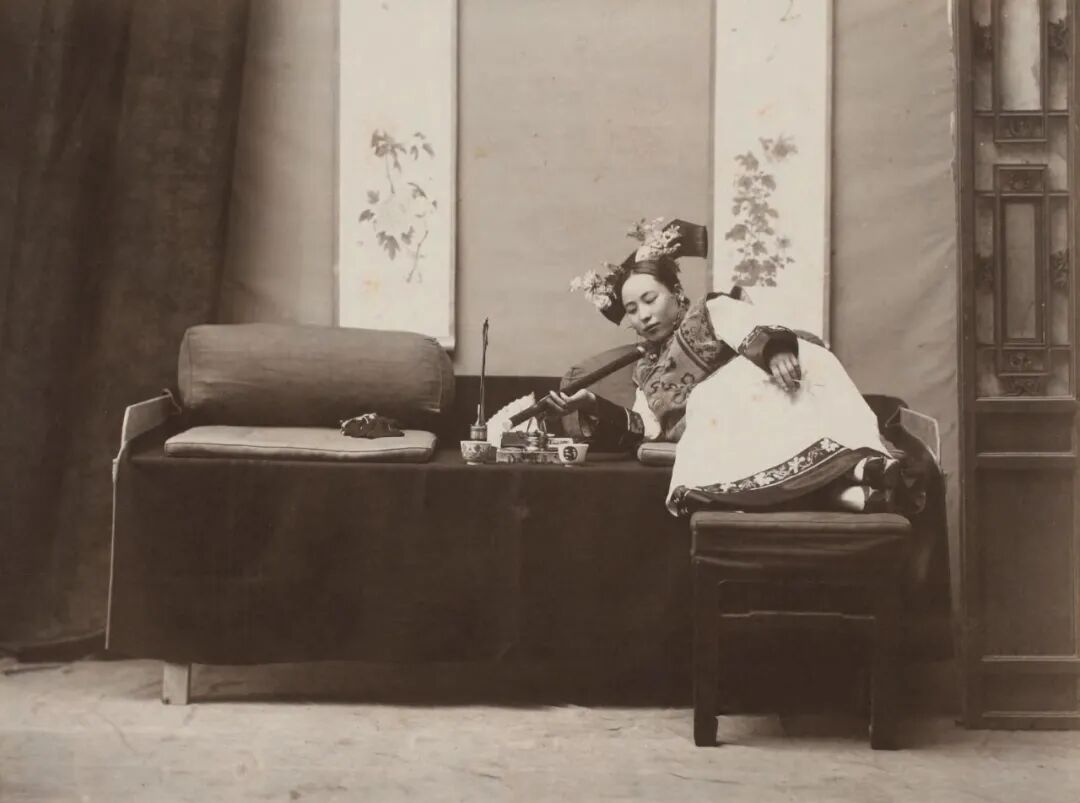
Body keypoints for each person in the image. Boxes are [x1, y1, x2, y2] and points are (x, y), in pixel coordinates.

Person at [544, 218, 914, 516]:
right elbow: (648, 429)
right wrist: (593, 404)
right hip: (717, 430)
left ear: (676, 293)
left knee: (762, 374)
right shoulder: (645, 371)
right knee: (709, 400)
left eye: (650, 299)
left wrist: (775, 353)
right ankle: (859, 486)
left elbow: (751, 329)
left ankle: (858, 467)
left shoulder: (708, 312)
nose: (643, 315)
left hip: (762, 406)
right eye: (632, 309)